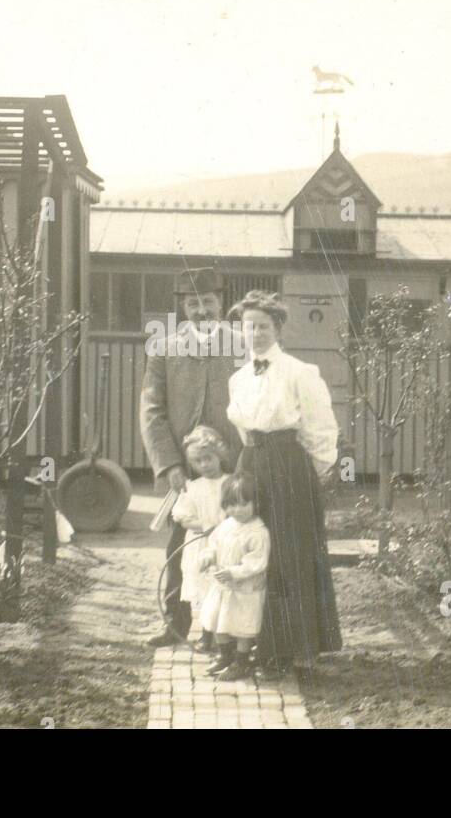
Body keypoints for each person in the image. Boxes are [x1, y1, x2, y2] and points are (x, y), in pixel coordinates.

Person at [226, 289, 343, 678]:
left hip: (288, 467)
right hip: (253, 463)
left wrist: (315, 473)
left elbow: (321, 428)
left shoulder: (299, 372)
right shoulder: (238, 378)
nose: (256, 333)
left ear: (278, 328)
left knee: (288, 556)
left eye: (263, 326)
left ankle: (290, 651)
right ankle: (248, 647)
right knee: (249, 549)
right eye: (249, 327)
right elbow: (244, 430)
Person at [140, 267, 244, 647]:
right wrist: (168, 464)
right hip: (184, 473)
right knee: (181, 548)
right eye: (193, 303)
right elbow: (152, 410)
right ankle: (175, 624)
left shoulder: (242, 345)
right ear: (183, 307)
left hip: (232, 469)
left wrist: (245, 465)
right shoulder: (164, 349)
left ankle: (224, 631)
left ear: (221, 302)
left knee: (232, 547)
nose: (202, 310)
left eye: (209, 302)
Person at [198, 473, 270, 681]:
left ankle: (242, 662)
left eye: (243, 504)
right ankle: (225, 656)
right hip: (222, 587)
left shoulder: (258, 532)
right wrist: (207, 557)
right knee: (218, 622)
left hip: (244, 589)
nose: (236, 510)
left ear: (255, 503)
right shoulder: (226, 525)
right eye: (231, 505)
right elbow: (213, 545)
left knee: (241, 627)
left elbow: (256, 563)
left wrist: (234, 572)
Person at [170, 426, 230, 653]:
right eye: (198, 461)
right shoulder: (192, 488)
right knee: (204, 589)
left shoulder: (231, 482)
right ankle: (206, 635)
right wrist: (205, 525)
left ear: (219, 456)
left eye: (208, 458)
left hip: (226, 544)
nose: (204, 464)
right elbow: (184, 519)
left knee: (223, 587)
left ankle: (226, 636)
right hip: (200, 543)